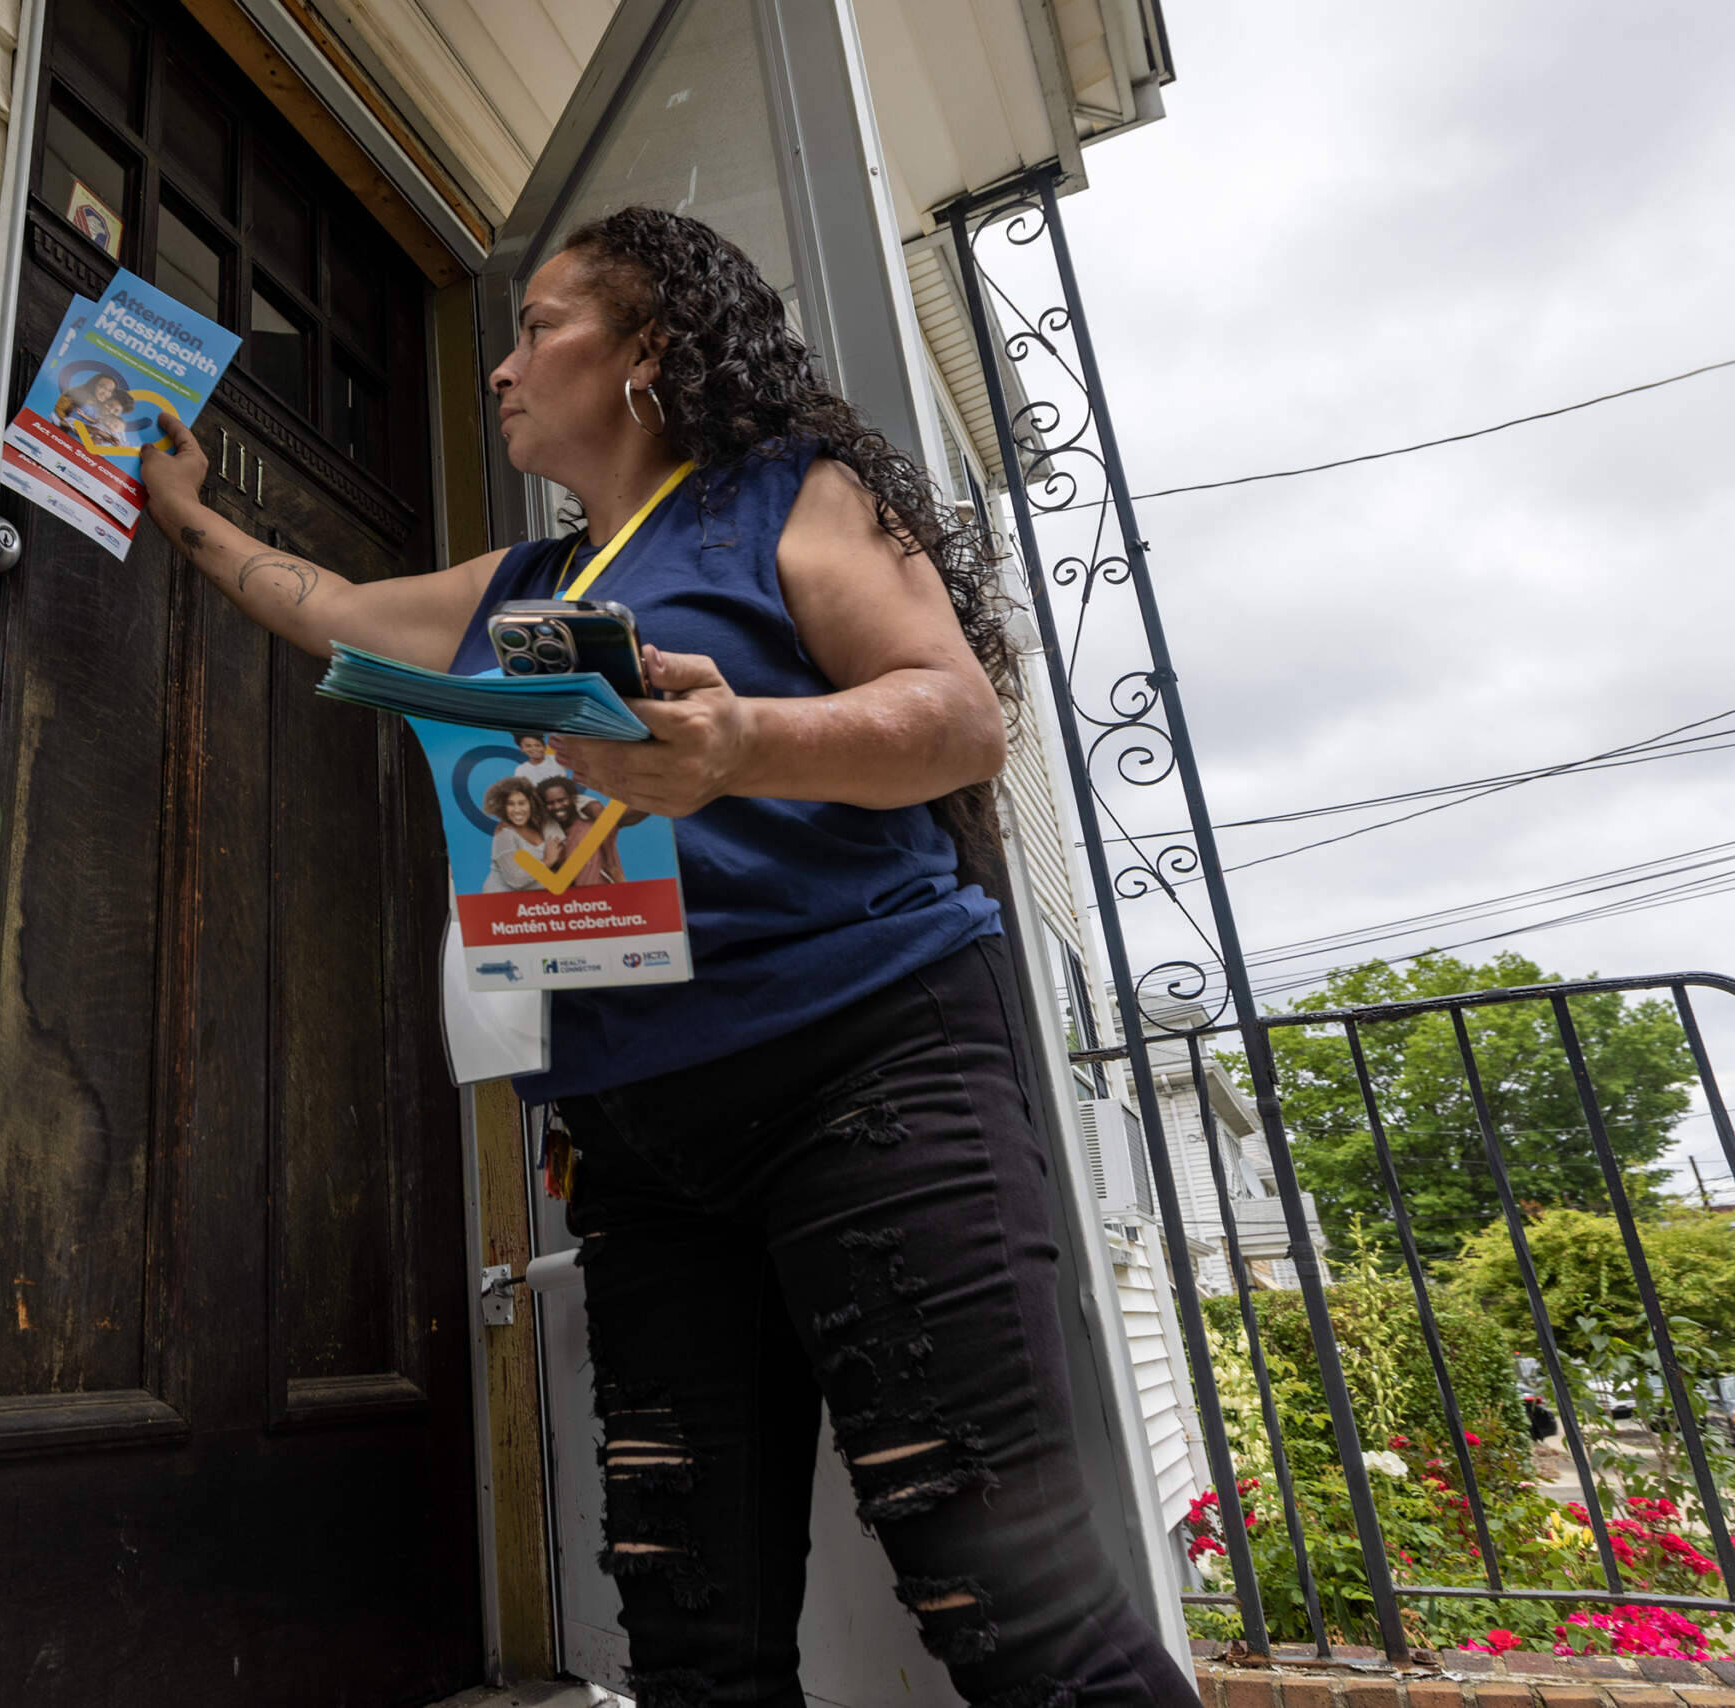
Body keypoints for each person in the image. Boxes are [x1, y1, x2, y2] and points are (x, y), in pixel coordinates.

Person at [142, 205, 1202, 1708]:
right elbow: (331, 615)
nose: (504, 368)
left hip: (869, 1072)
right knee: (692, 1647)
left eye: (541, 325)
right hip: (639, 1141)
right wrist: (185, 510)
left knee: (1014, 1610)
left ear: (649, 352)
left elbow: (955, 718)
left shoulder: (787, 494)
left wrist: (747, 741)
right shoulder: (521, 587)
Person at [483, 776, 560, 892]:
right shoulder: (503, 835)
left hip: (530, 904)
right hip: (499, 900)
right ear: (503, 807)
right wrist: (548, 861)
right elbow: (515, 880)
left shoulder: (539, 827)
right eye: (511, 804)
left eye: (521, 803)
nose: (517, 810)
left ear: (531, 804)